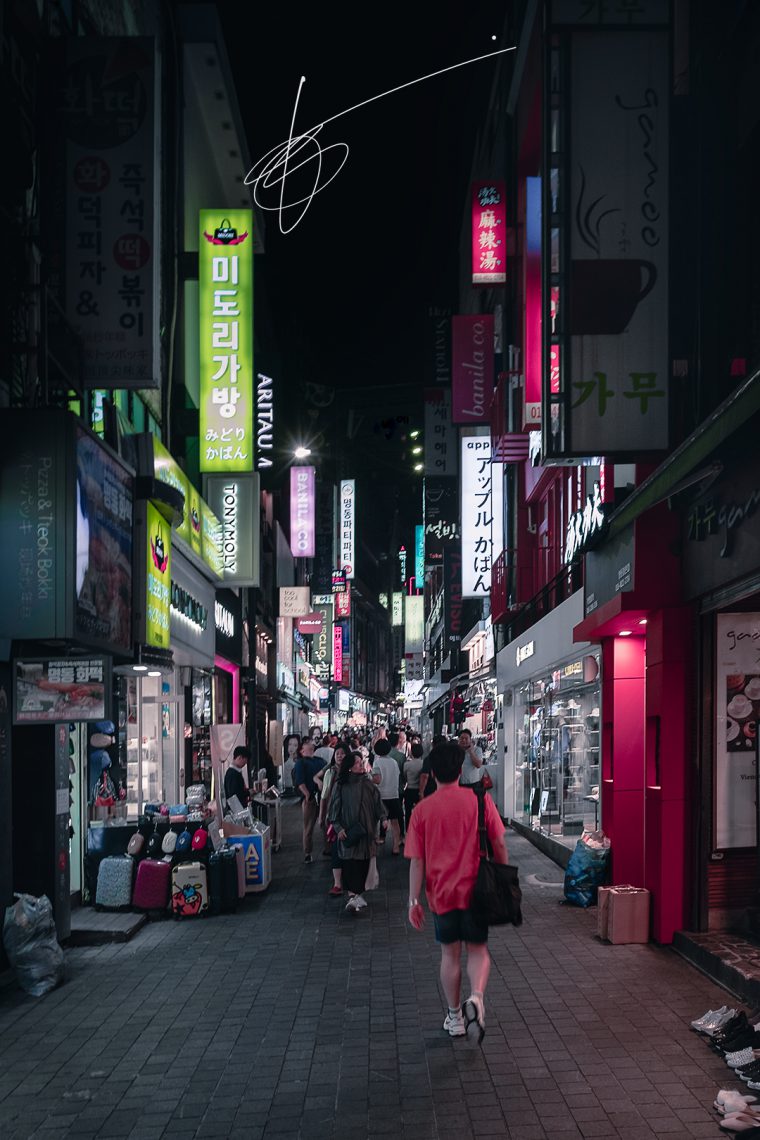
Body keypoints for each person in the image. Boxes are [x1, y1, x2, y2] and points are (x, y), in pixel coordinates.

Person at [405, 740, 508, 1042]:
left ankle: (455, 1017)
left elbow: (416, 862)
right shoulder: (480, 800)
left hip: (442, 894)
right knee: (478, 950)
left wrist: (414, 900)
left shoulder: (422, 810)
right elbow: (500, 843)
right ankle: (476, 998)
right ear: (461, 770)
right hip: (478, 890)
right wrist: (502, 877)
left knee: (449, 955)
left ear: (433, 773)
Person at [328, 749, 387, 912]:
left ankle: (356, 897)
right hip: (349, 833)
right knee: (351, 865)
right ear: (349, 767)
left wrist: (383, 818)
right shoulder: (341, 786)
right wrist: (338, 828)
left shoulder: (368, 784)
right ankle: (353, 897)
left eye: (362, 763)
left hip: (367, 835)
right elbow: (333, 811)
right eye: (357, 764)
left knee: (363, 865)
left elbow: (378, 804)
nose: (361, 766)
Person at [293, 739, 326, 863]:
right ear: (302, 751)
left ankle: (328, 848)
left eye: (311, 746)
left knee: (325, 823)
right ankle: (307, 852)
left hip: (322, 797)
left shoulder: (320, 760)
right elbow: (300, 781)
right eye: (307, 746)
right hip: (311, 798)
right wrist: (307, 794)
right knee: (309, 827)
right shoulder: (300, 763)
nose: (311, 746)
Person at [371, 738, 403, 855]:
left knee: (375, 821)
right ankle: (396, 847)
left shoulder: (377, 762)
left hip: (381, 796)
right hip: (394, 795)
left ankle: (373, 845)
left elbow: (377, 780)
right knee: (395, 822)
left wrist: (369, 776)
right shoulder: (394, 762)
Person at [403, 741, 424, 829]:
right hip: (420, 790)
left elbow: (404, 776)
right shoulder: (423, 764)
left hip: (409, 789)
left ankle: (408, 828)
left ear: (412, 752)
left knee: (408, 811)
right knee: (421, 811)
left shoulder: (407, 764)